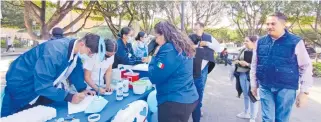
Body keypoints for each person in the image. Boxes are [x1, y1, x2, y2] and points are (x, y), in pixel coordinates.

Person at [1, 33, 102, 117]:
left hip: (36, 83)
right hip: (22, 82)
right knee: (16, 114)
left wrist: (82, 89)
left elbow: (75, 71)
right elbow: (42, 85)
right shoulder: (54, 51)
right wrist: (69, 97)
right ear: (81, 44)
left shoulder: (75, 50)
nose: (90, 56)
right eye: (89, 52)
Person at [250, 12, 313, 122]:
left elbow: (306, 66)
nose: (269, 26)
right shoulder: (260, 42)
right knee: (267, 118)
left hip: (286, 88)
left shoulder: (295, 41)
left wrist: (304, 92)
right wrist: (253, 84)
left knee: (281, 119)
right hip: (265, 86)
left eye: (273, 23)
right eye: (267, 24)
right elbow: (255, 64)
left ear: (284, 25)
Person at [149, 21, 199, 122]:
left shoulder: (169, 49)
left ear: (163, 34)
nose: (156, 40)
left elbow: (154, 76)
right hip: (187, 97)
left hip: (174, 101)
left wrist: (153, 57)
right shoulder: (182, 46)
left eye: (157, 36)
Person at [188, 22, 220, 122]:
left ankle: (198, 108)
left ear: (202, 28)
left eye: (197, 29)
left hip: (204, 67)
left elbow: (218, 48)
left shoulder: (209, 37)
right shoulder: (190, 37)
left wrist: (207, 44)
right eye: (194, 29)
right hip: (192, 66)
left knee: (200, 88)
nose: (195, 31)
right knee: (190, 87)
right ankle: (190, 107)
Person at [234, 36, 259, 122]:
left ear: (253, 42)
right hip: (242, 74)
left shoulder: (257, 52)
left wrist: (247, 64)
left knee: (252, 96)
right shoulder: (243, 50)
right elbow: (237, 59)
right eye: (244, 41)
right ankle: (246, 112)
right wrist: (237, 61)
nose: (245, 43)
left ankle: (253, 117)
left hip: (251, 76)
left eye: (247, 41)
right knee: (245, 95)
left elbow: (258, 66)